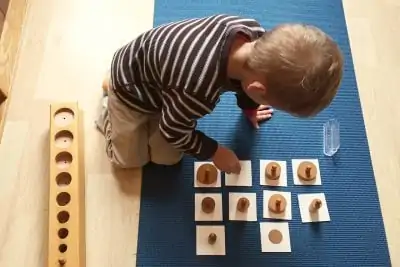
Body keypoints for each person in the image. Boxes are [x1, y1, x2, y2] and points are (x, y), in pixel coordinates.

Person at [95, 14, 343, 174]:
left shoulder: (254, 34)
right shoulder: (197, 89)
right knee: (129, 161)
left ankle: (160, 106)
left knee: (167, 159)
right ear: (257, 89)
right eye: (265, 99)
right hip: (132, 88)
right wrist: (214, 151)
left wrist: (249, 107)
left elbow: (246, 81)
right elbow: (173, 130)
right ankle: (109, 98)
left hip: (166, 85)